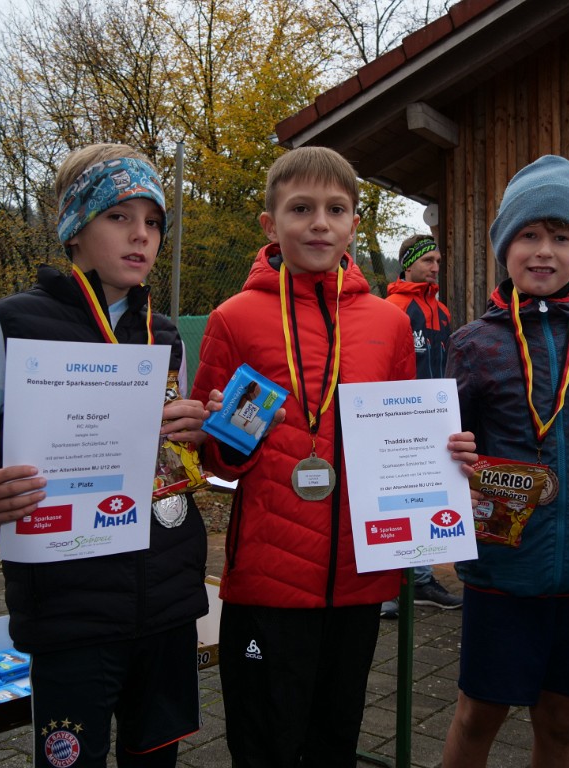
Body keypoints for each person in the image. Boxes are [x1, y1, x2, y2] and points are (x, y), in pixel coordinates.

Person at [191, 146, 476, 768]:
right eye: (301, 209)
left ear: (354, 224)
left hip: (358, 578)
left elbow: (404, 436)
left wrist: (443, 455)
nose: (319, 223)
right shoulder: (233, 319)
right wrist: (229, 434)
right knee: (264, 747)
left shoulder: (387, 323)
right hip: (267, 578)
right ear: (270, 224)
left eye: (335, 209)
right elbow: (214, 461)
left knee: (334, 742)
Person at [0, 144, 211, 768]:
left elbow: (172, 461)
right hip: (69, 610)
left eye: (154, 221)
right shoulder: (12, 322)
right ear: (75, 229)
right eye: (119, 217)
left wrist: (193, 438)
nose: (141, 235)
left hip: (166, 603)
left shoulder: (165, 335)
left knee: (155, 758)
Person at [442, 155, 569, 767]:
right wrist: (451, 451)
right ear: (505, 246)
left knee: (560, 723)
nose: (544, 251)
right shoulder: (473, 343)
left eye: (561, 237)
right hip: (504, 569)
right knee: (478, 715)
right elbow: (441, 445)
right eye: (528, 234)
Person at [379, 234, 461, 618]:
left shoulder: (442, 312)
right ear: (408, 263)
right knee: (392, 501)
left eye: (438, 261)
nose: (434, 267)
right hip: (396, 421)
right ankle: (385, 586)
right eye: (428, 260)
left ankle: (421, 579)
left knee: (429, 498)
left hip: (435, 420)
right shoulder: (391, 309)